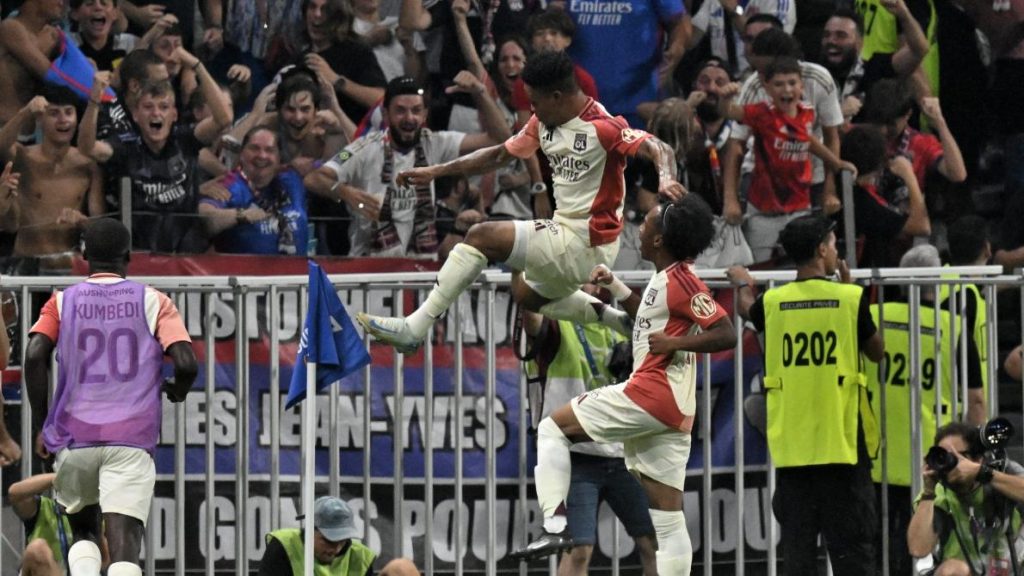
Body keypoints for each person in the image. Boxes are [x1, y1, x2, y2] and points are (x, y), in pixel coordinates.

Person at [354, 50, 684, 352]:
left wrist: (667, 177)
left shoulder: (603, 127)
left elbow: (659, 147)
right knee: (526, 294)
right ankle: (619, 321)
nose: (531, 109)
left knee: (481, 236)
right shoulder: (543, 122)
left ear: (557, 96)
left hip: (588, 242)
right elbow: (497, 155)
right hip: (565, 234)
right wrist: (435, 171)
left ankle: (415, 327)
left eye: (536, 102)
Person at [512, 195, 735, 576]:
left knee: (551, 427)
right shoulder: (664, 280)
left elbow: (726, 332)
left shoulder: (681, 280)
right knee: (666, 526)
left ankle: (552, 526)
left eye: (646, 224)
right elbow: (647, 315)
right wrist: (615, 284)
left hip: (649, 396)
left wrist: (676, 343)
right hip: (673, 414)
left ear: (661, 240)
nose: (639, 230)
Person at [24, 218, 198, 576]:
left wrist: (43, 423)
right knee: (124, 542)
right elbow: (186, 362)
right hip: (131, 438)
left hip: (75, 435)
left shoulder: (61, 302)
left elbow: (33, 355)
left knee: (83, 529)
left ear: (84, 255)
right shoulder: (154, 300)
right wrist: (176, 391)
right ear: (128, 256)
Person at [728, 215, 885, 575]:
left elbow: (745, 308)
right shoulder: (849, 298)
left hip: (794, 447)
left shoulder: (774, 302)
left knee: (798, 552)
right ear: (820, 250)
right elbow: (876, 351)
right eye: (832, 244)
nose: (835, 250)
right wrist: (851, 289)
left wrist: (742, 283)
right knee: (853, 551)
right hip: (841, 444)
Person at [517, 285, 658, 574]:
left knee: (656, 541)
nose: (585, 282)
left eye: (590, 275)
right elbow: (531, 319)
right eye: (575, 273)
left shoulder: (618, 324)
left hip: (625, 454)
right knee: (578, 550)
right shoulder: (556, 321)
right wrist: (529, 268)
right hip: (573, 458)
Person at [864, 244, 984, 576]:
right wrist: (978, 455)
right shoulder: (953, 326)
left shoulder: (875, 316)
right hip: (935, 456)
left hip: (878, 451)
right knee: (928, 541)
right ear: (939, 282)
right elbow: (976, 400)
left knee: (877, 543)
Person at [305, 73, 509, 258]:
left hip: (418, 271)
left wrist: (480, 93)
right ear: (386, 115)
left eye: (416, 111)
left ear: (425, 115)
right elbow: (314, 178)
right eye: (400, 111)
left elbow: (499, 139)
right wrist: (345, 192)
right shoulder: (364, 147)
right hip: (370, 270)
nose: (409, 118)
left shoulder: (434, 143)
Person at [78, 57, 232, 253]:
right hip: (140, 257)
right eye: (148, 107)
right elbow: (86, 148)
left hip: (187, 258)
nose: (156, 114)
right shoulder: (126, 147)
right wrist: (93, 101)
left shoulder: (185, 140)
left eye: (164, 107)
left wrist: (197, 66)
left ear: (174, 115)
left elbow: (224, 119)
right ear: (135, 114)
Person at [717, 56, 857, 262]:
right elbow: (730, 112)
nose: (787, 90)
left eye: (792, 83)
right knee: (761, 268)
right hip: (764, 212)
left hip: (800, 208)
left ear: (802, 85)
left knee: (803, 263)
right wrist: (725, 99)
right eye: (779, 84)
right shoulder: (761, 113)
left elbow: (808, 140)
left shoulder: (807, 112)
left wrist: (836, 163)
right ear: (767, 87)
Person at [0, 88, 105, 275]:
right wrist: (26, 112)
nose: (63, 120)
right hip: (26, 265)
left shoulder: (89, 165)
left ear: (76, 118)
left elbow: (100, 225)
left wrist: (82, 221)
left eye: (68, 112)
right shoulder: (24, 158)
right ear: (40, 120)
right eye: (54, 113)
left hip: (69, 268)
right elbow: (2, 146)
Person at [907, 422, 1024, 575]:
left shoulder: (1002, 473)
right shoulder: (938, 493)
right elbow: (918, 548)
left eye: (957, 456)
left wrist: (982, 473)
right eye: (944, 456)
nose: (950, 464)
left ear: (978, 459)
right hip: (965, 571)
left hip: (1011, 569)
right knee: (953, 570)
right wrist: (928, 492)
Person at [199, 126, 309, 255]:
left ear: (279, 157)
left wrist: (338, 117)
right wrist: (241, 215)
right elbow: (205, 217)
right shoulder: (230, 184)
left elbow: (336, 163)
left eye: (269, 150)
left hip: (299, 273)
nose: (262, 156)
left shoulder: (292, 179)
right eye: (254, 148)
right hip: (245, 273)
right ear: (241, 155)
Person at [817, 3, 928, 124]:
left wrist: (904, 15)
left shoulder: (875, 69)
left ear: (860, 42)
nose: (831, 41)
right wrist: (838, 113)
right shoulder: (813, 76)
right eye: (826, 35)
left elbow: (918, 51)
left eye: (841, 35)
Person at [841, 124, 929, 268]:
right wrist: (909, 176)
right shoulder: (865, 203)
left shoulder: (841, 186)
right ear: (878, 165)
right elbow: (922, 226)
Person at [258, 496, 377, 576]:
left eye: (342, 541)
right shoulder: (284, 546)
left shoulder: (361, 558)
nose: (336, 548)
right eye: (328, 540)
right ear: (310, 529)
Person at [9, 473, 79, 576]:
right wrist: (64, 473)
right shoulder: (45, 507)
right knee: (37, 549)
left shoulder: (94, 513)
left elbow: (105, 560)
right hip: (44, 571)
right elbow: (15, 493)